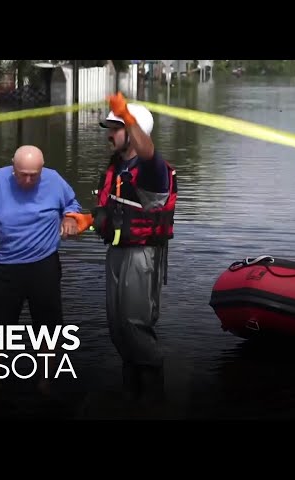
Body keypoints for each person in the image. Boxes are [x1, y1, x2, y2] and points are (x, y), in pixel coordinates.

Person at [67, 92, 177, 405]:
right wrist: (89, 219)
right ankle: (131, 386)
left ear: (132, 131)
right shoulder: (116, 169)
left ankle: (153, 393)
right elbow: (113, 211)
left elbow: (148, 152)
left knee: (135, 323)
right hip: (116, 252)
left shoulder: (153, 170)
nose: (109, 135)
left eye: (115, 128)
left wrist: (128, 117)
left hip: (142, 255)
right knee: (117, 325)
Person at [0, 145, 81, 395]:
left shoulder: (54, 181)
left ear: (42, 169)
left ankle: (45, 380)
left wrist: (70, 218)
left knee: (48, 325)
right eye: (23, 174)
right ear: (12, 168)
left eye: (34, 175)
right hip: (4, 265)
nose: (28, 180)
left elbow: (72, 204)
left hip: (44, 264)